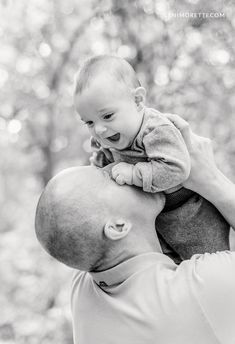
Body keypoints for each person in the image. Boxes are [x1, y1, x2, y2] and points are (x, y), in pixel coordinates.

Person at [35, 115, 235, 344]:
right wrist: (211, 179)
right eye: (108, 175)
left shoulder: (84, 292)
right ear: (117, 226)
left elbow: (71, 229)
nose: (117, 167)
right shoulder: (201, 287)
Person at [73, 55, 230, 261]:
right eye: (89, 122)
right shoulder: (108, 138)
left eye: (107, 116)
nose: (99, 129)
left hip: (191, 215)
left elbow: (176, 169)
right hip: (156, 218)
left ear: (137, 100)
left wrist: (133, 173)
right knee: (164, 268)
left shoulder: (155, 129)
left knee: (207, 264)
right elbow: (102, 166)